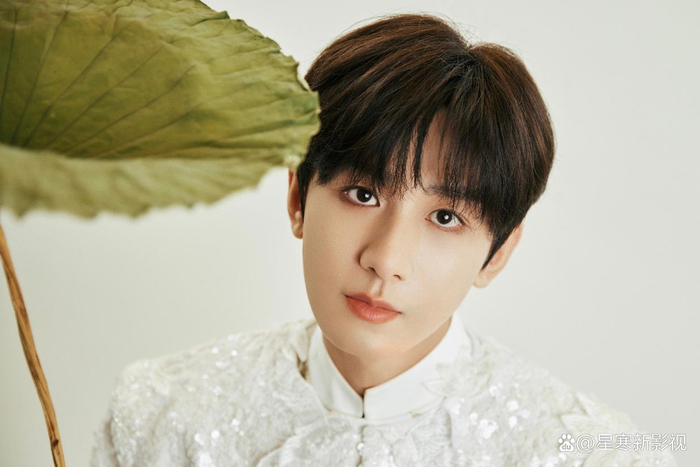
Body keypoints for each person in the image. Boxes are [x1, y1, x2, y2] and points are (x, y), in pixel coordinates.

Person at [91, 13, 678, 467]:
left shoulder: (593, 454)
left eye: (445, 217)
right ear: (297, 197)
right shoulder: (159, 414)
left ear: (498, 252)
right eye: (363, 194)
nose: (386, 260)